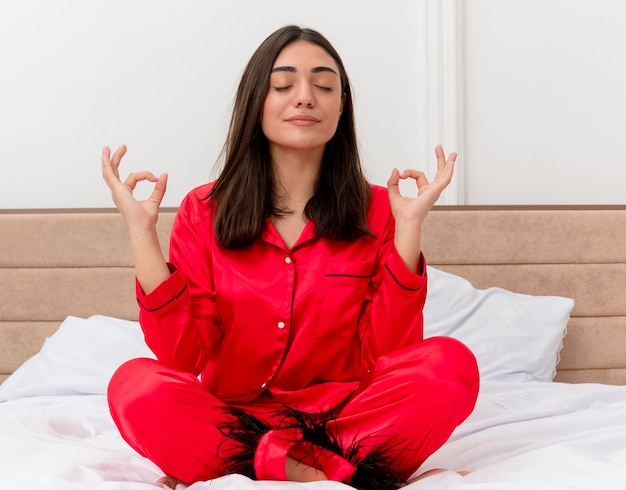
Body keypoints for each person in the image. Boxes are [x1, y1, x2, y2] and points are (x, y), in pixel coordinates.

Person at [102, 25, 479, 490]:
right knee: (135, 386)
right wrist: (141, 234)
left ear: (341, 107)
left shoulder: (383, 209)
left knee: (450, 364)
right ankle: (348, 475)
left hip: (346, 423)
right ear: (256, 101)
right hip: (237, 422)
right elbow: (183, 356)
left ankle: (266, 467)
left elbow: (387, 355)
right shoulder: (203, 210)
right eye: (283, 85)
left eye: (324, 86)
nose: (305, 97)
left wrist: (408, 230)